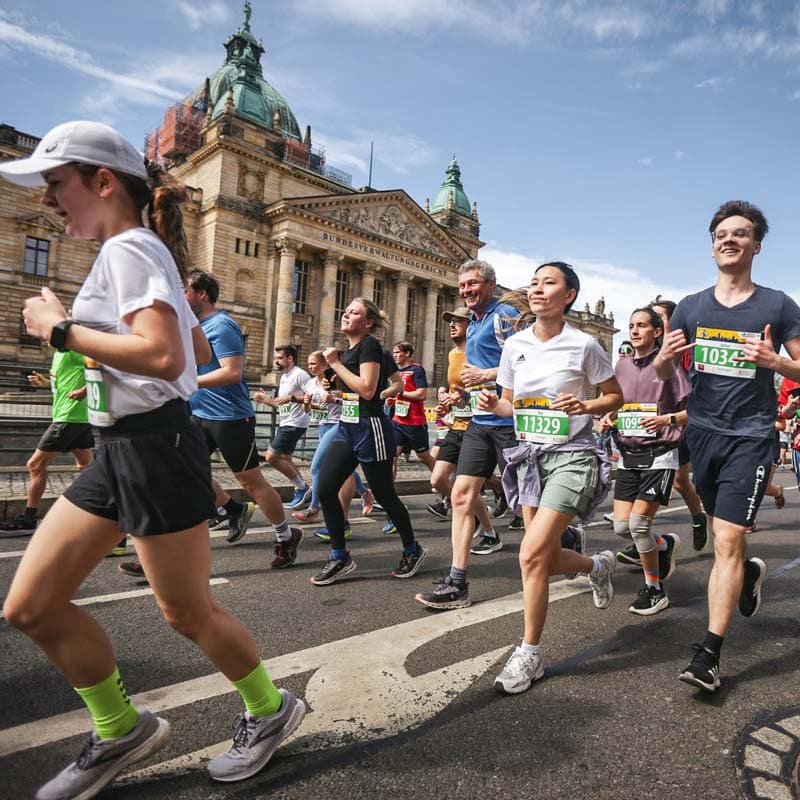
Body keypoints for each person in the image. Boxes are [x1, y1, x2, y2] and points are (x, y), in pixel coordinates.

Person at [0, 121, 305, 798]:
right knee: (31, 605)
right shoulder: (144, 251)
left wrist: (62, 330)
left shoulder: (129, 249)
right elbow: (193, 350)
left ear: (103, 182)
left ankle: (269, 707)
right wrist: (103, 354)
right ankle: (119, 728)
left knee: (187, 612)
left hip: (153, 447)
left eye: (56, 183)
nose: (47, 199)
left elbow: (167, 357)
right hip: (120, 446)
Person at [655, 200, 800, 692]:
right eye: (721, 234)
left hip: (751, 437)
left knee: (728, 541)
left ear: (756, 245)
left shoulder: (778, 305)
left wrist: (775, 362)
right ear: (712, 246)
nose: (729, 240)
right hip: (703, 435)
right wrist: (664, 357)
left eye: (740, 234)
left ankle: (709, 655)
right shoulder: (691, 306)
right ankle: (748, 574)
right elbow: (664, 370)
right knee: (725, 537)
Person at [473, 262, 622, 694]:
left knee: (530, 554)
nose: (537, 289)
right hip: (529, 461)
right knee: (543, 558)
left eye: (549, 283)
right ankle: (596, 566)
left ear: (568, 295)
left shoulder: (584, 344)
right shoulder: (514, 345)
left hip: (573, 457)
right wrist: (492, 404)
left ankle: (530, 653)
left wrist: (585, 406)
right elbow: (509, 404)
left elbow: (615, 396)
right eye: (534, 283)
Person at [415, 259, 519, 610]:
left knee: (524, 502)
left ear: (490, 284)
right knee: (461, 496)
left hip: (509, 423)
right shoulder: (473, 324)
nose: (466, 290)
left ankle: (566, 536)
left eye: (473, 283)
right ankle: (457, 582)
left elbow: (525, 363)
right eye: (462, 286)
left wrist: (486, 375)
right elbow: (475, 380)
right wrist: (460, 397)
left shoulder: (505, 316)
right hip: (478, 422)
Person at [185, 270, 303, 569]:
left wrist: (189, 381)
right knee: (183, 471)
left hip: (230, 418)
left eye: (184, 290)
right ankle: (228, 510)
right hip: (198, 414)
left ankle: (286, 535)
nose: (178, 296)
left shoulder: (222, 325)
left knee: (250, 482)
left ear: (202, 294)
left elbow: (232, 372)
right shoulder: (193, 326)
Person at [311, 297, 427, 584]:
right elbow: (353, 392)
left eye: (354, 312)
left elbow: (367, 390)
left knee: (384, 494)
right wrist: (332, 385)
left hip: (370, 428)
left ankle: (412, 549)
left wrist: (335, 364)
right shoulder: (350, 351)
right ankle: (340, 556)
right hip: (347, 427)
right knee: (325, 488)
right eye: (346, 310)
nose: (346, 314)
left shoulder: (370, 346)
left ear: (368, 322)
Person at [600, 307, 688, 615]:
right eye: (631, 325)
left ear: (657, 332)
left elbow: (694, 411)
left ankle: (654, 589)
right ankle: (663, 545)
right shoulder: (622, 366)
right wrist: (610, 415)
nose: (634, 331)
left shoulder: (669, 366)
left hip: (660, 454)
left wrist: (667, 419)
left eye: (642, 326)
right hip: (628, 455)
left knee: (638, 526)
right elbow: (620, 403)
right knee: (621, 527)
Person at [0, 350, 93, 534]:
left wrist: (84, 390)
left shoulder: (73, 349)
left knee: (35, 465)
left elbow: (103, 369)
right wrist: (47, 384)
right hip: (75, 417)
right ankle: (98, 513)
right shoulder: (59, 353)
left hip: (69, 417)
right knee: (87, 468)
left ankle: (29, 518)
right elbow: (66, 382)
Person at [426, 306, 496, 542]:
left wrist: (464, 397)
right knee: (437, 480)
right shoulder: (451, 354)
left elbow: (485, 387)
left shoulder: (478, 352)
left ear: (471, 325)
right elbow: (454, 387)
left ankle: (490, 531)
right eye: (450, 321)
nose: (452, 325)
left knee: (464, 488)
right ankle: (476, 510)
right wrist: (446, 401)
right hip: (456, 425)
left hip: (476, 427)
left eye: (459, 321)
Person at [650, 299, 708, 550]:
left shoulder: (686, 353)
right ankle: (641, 535)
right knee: (651, 477)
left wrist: (671, 418)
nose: (654, 323)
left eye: (659, 318)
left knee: (679, 482)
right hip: (650, 426)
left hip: (681, 425)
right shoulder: (641, 351)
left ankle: (698, 518)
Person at [292, 350, 372, 526]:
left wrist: (334, 400)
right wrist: (306, 404)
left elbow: (354, 404)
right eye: (309, 364)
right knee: (344, 467)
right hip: (323, 426)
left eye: (314, 363)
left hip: (339, 425)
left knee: (317, 467)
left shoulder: (337, 380)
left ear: (324, 365)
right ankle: (365, 493)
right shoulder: (310, 384)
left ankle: (314, 509)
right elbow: (309, 409)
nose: (310, 367)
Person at [254, 345, 312, 510]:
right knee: (285, 459)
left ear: (290, 358)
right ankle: (303, 493)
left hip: (295, 423)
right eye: (276, 358)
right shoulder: (285, 376)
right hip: (287, 422)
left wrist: (291, 397)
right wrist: (264, 399)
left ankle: (303, 488)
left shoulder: (300, 375)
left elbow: (312, 396)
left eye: (279, 358)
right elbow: (281, 404)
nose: (276, 361)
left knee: (271, 457)